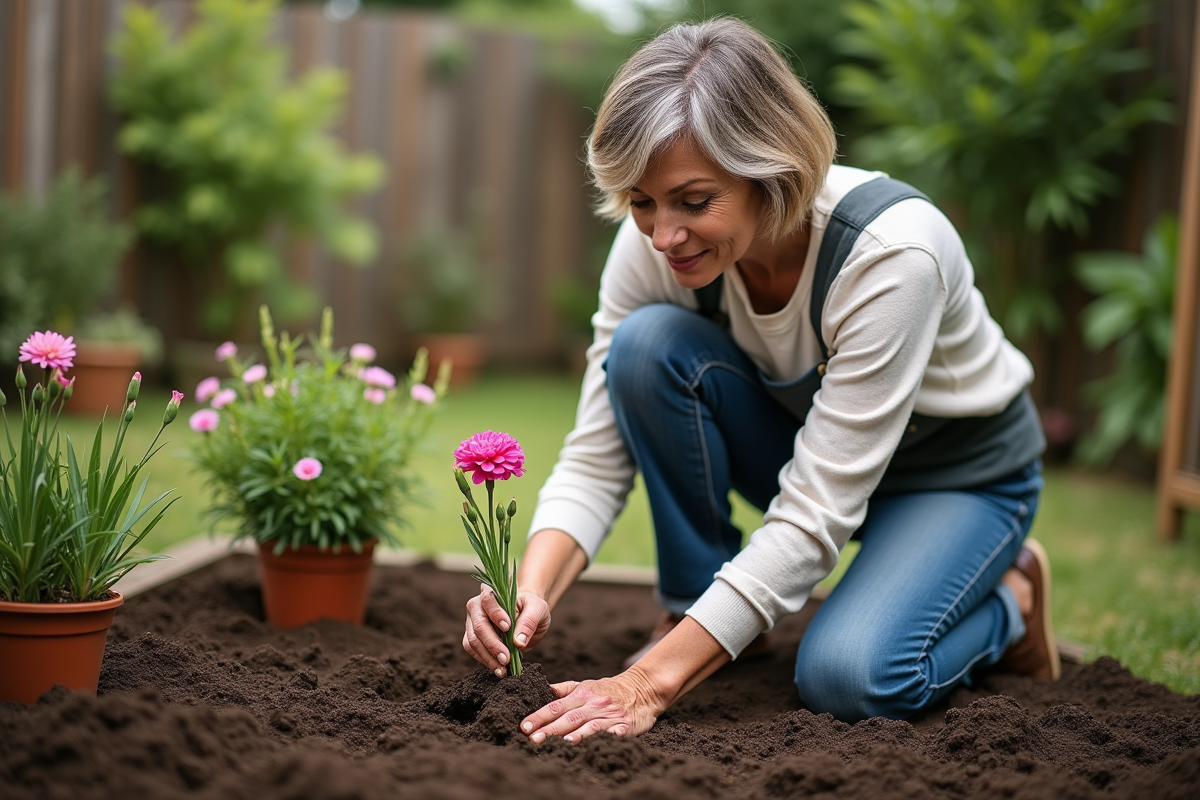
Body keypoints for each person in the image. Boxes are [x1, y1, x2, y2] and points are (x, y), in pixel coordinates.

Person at [462, 17, 1058, 742]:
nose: (662, 235)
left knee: (852, 677)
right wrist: (527, 587)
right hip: (802, 447)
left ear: (770, 170)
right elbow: (597, 449)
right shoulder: (655, 243)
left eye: (693, 200)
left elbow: (813, 515)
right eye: (642, 202)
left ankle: (1013, 600)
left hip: (954, 478)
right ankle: (695, 612)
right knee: (647, 348)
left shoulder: (892, 254)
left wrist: (647, 682)